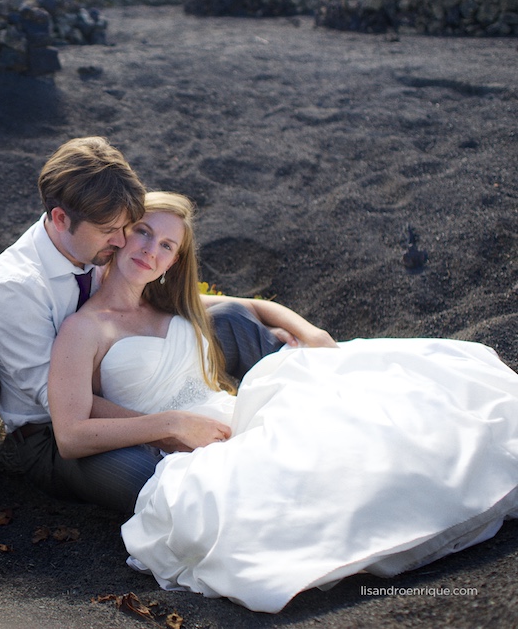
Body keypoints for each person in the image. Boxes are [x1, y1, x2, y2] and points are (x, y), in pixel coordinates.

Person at [48, 190, 518, 613]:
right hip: (184, 444)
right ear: (121, 234)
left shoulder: (173, 304)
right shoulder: (84, 328)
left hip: (236, 412)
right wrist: (170, 425)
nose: (151, 250)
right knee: (287, 493)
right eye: (144, 233)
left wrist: (310, 333)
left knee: (363, 431)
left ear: (174, 261)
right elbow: (70, 435)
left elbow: (254, 307)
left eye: (167, 246)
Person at [0, 136, 335, 514]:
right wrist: (169, 427)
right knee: (153, 480)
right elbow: (62, 409)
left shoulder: (96, 240)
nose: (122, 241)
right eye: (110, 231)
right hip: (52, 433)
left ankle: (315, 391)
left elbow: (183, 305)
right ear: (61, 219)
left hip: (128, 380)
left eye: (126, 227)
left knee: (231, 320)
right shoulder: (16, 290)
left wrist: (301, 329)